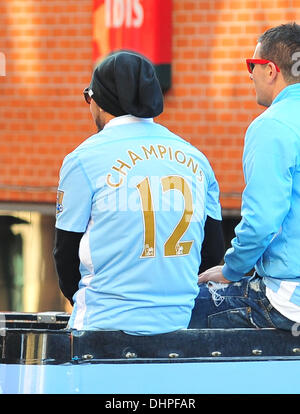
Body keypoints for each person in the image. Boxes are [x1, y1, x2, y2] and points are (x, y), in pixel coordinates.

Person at [53, 51, 224, 335]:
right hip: (177, 326)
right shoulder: (196, 159)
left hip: (101, 327)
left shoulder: (83, 159)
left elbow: (65, 256)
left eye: (88, 97)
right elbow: (212, 249)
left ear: (100, 100)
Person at [189, 23, 300, 330]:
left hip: (286, 302)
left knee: (178, 305)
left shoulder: (272, 126)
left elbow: (262, 222)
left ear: (270, 70)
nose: (249, 75)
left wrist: (231, 270)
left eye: (251, 65)